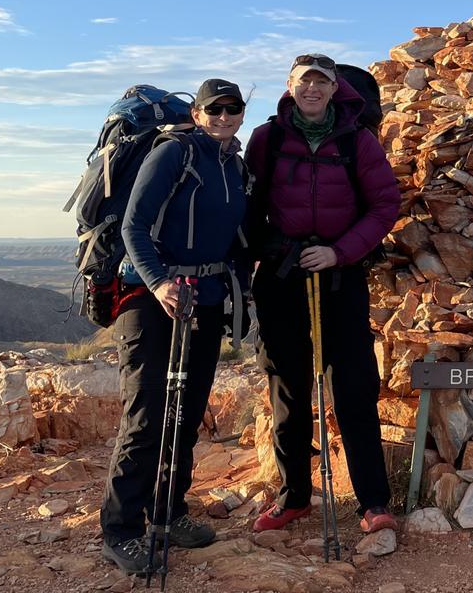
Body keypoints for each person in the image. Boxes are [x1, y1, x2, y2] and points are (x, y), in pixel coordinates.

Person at [245, 53, 400, 535]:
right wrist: (257, 258)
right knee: (288, 390)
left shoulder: (359, 141)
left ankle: (373, 501)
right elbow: (249, 207)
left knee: (354, 386)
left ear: (335, 89)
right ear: (290, 87)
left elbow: (385, 204)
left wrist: (340, 252)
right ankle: (293, 497)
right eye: (303, 81)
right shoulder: (267, 139)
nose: (312, 89)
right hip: (281, 275)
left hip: (340, 276)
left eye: (321, 82)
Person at [100, 79, 250, 574]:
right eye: (215, 108)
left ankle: (169, 513)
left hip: (204, 298)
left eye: (234, 108)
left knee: (186, 412)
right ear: (199, 112)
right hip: (151, 298)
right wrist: (161, 283)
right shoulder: (174, 152)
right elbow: (134, 227)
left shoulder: (234, 164)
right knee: (147, 413)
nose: (225, 116)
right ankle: (120, 530)